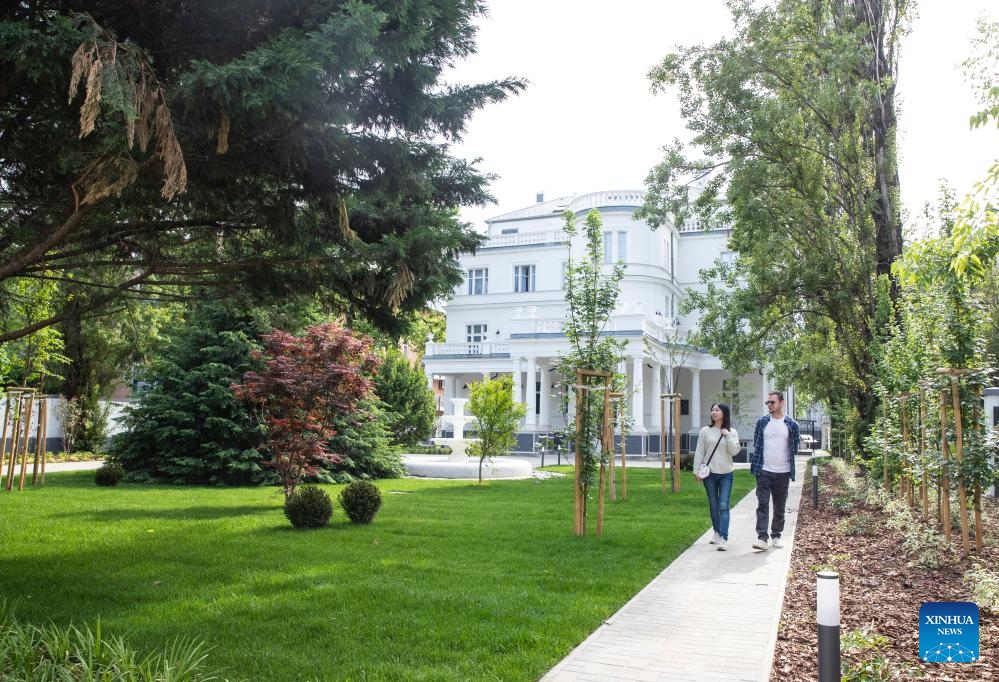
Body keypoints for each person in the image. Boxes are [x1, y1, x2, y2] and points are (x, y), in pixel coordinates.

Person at [750, 391, 800, 551]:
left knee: (779, 506)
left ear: (781, 403)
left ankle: (776, 535)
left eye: (772, 402)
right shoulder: (762, 422)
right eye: (768, 403)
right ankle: (762, 538)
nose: (769, 405)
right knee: (762, 504)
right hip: (764, 470)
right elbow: (757, 443)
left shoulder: (792, 425)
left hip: (783, 472)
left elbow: (794, 448)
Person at [693, 402, 741, 551]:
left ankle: (723, 538)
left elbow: (734, 451)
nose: (713, 412)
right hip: (710, 474)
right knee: (713, 505)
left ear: (724, 413)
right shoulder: (705, 431)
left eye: (717, 410)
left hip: (726, 473)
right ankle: (716, 532)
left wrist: (727, 435)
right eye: (712, 410)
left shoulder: (732, 432)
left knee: (723, 505)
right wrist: (696, 470)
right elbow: (699, 451)